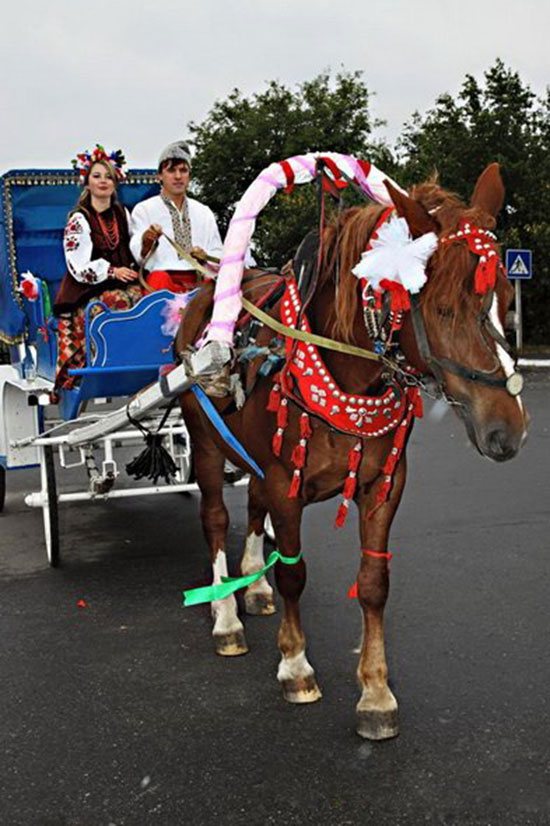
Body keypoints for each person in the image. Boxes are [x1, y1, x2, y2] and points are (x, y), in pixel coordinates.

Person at [53, 145, 141, 390]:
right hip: (87, 290)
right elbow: (78, 265)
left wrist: (148, 244)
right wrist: (112, 271)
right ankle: (106, 365)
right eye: (97, 176)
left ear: (116, 182)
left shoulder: (123, 213)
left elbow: (135, 248)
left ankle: (147, 363)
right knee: (114, 302)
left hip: (125, 281)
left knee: (151, 301)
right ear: (87, 182)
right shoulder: (79, 219)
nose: (103, 181)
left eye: (108, 177)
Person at [129, 141, 224, 293]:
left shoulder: (203, 212)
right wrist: (147, 240)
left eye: (183, 170)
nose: (178, 176)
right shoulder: (144, 209)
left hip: (199, 280)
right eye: (171, 171)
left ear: (189, 176)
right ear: (160, 175)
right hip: (162, 280)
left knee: (217, 287)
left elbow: (218, 252)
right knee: (158, 280)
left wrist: (205, 256)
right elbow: (138, 255)